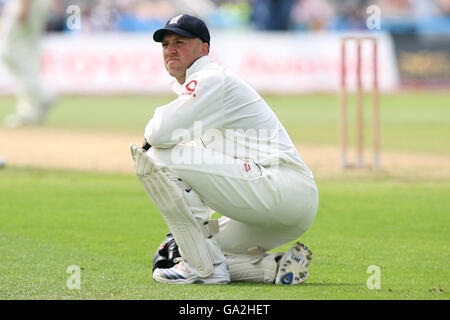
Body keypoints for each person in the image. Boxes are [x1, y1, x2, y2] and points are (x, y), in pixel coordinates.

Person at [130, 14, 318, 285]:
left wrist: (187, 235)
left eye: (180, 42)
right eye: (165, 44)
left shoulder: (209, 76)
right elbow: (199, 181)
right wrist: (184, 238)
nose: (170, 49)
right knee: (202, 249)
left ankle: (204, 271)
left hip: (280, 185)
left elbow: (157, 134)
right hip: (288, 207)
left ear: (204, 48)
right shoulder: (202, 92)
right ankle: (273, 268)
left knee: (156, 156)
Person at [0, 0, 55, 128]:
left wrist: (24, 6)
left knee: (8, 51)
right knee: (29, 55)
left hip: (27, 4)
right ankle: (30, 111)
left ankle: (42, 94)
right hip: (37, 5)